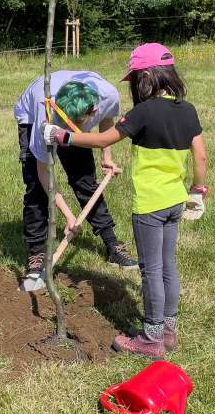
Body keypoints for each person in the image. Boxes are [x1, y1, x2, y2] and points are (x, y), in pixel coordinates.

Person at [42, 44, 207, 359]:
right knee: (168, 266)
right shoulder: (188, 109)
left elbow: (104, 139)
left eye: (134, 81)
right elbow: (200, 154)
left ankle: (151, 337)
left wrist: (63, 137)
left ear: (146, 77)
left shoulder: (144, 111)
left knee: (151, 269)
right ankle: (168, 332)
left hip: (150, 206)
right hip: (175, 201)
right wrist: (197, 192)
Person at [14, 71, 138, 285]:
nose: (66, 129)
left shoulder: (108, 95)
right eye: (65, 121)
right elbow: (44, 174)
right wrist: (69, 215)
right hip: (34, 117)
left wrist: (106, 157)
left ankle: (112, 245)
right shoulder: (46, 114)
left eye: (75, 123)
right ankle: (37, 253)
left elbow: (107, 119)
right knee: (35, 186)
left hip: (77, 119)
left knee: (85, 181)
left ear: (93, 111)